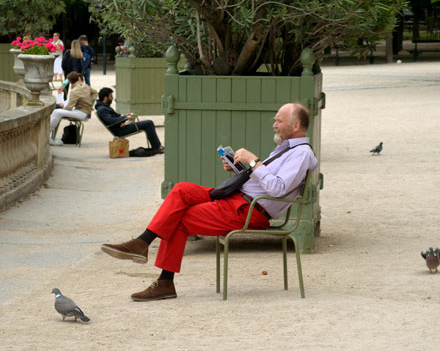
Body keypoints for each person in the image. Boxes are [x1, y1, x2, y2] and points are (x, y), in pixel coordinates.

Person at [100, 103, 318, 301]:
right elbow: (263, 178)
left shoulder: (301, 154)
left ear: (296, 125)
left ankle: (163, 280)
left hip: (249, 209)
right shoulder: (287, 148)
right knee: (181, 190)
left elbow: (278, 188)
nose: (274, 125)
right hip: (235, 197)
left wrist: (253, 161)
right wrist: (239, 168)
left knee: (178, 218)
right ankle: (142, 243)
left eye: (279, 121)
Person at [95, 87, 164, 154]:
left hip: (122, 126)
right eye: (111, 96)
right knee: (149, 123)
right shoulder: (102, 109)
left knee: (148, 123)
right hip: (121, 130)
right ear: (105, 98)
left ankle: (157, 147)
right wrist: (126, 117)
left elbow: (114, 118)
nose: (112, 98)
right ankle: (157, 147)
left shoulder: (104, 107)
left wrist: (126, 116)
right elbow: (112, 121)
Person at [49, 72, 97, 146]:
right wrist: (91, 103)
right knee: (57, 111)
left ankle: (46, 134)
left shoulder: (74, 91)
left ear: (70, 81)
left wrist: (62, 107)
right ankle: (48, 135)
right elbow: (95, 92)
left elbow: (68, 108)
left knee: (57, 112)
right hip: (84, 112)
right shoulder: (85, 86)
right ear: (78, 78)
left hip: (81, 112)